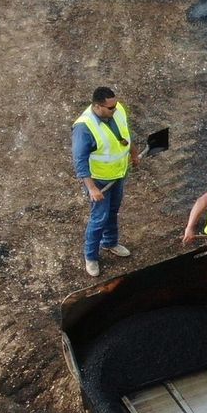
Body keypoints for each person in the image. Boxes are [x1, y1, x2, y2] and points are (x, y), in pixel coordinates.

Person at [72, 85, 141, 278]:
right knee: (99, 218)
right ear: (97, 106)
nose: (116, 109)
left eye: (116, 105)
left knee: (113, 211)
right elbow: (80, 161)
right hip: (100, 181)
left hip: (118, 174)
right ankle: (91, 257)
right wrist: (92, 188)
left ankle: (110, 242)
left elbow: (126, 134)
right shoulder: (84, 128)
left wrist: (133, 153)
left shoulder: (116, 112)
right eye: (111, 107)